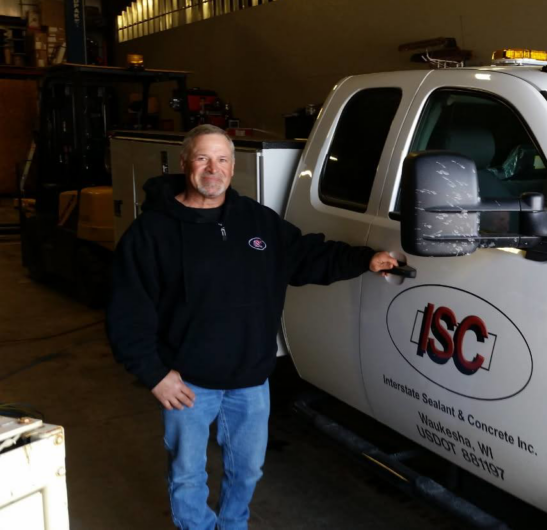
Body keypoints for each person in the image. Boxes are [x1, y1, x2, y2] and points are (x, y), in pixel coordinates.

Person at [106, 124, 397, 530]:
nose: (213, 169)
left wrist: (363, 259)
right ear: (185, 162)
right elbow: (127, 310)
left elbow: (306, 255)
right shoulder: (152, 232)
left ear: (232, 166)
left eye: (222, 159)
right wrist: (155, 375)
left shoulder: (256, 221)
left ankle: (233, 525)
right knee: (187, 474)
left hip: (250, 381)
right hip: (188, 385)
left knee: (247, 471)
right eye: (203, 158)